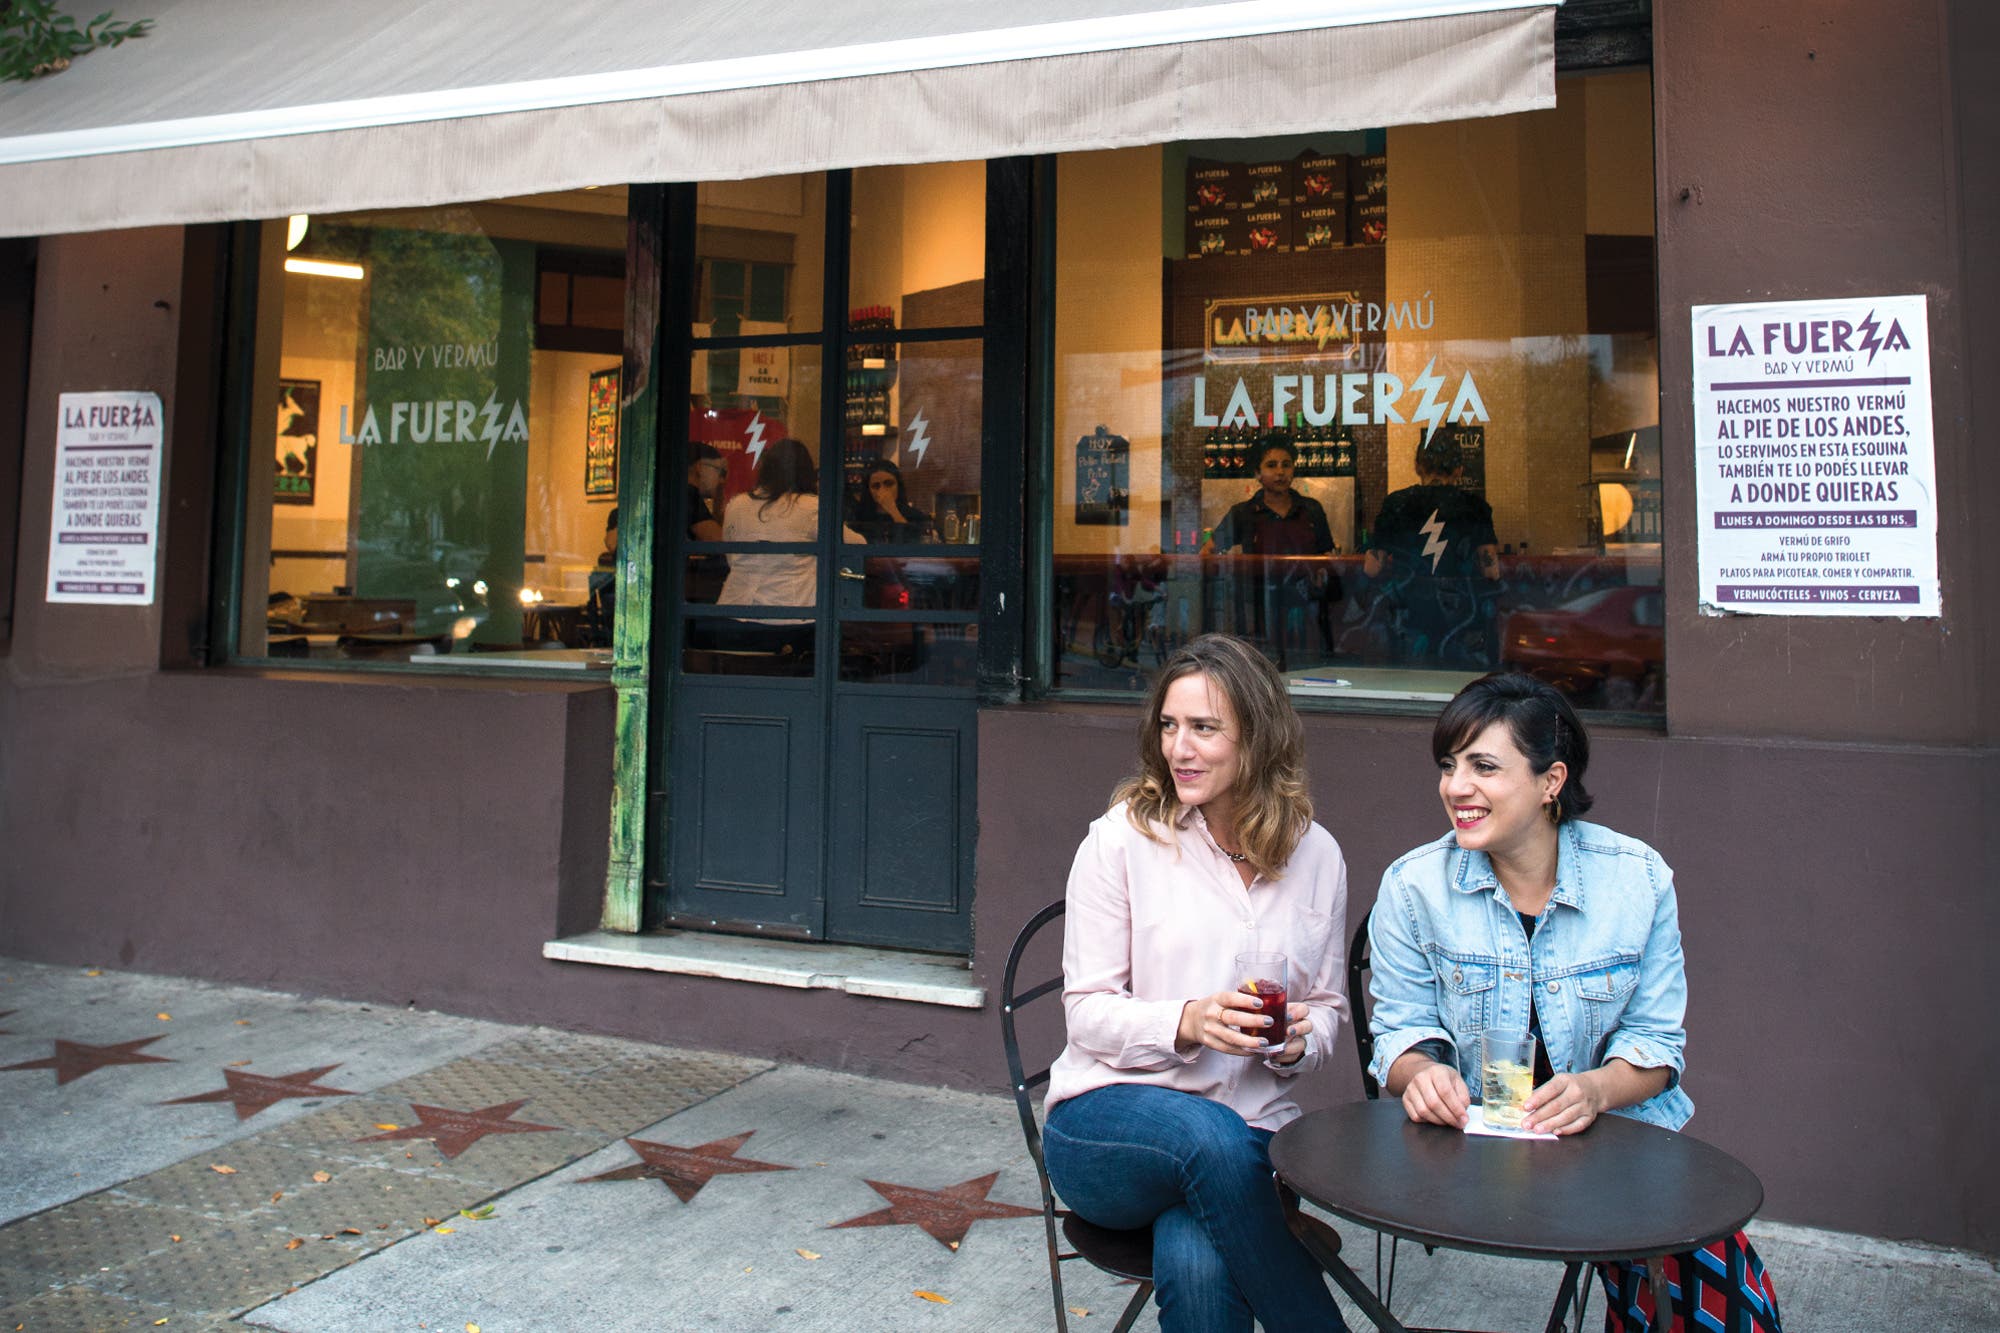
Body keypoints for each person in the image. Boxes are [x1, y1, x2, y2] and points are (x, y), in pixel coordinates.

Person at [1367, 672, 1783, 1332]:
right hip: (1467, 1149)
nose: (1455, 787)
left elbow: (1657, 1047)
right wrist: (1422, 1074)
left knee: (1715, 1290)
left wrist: (1593, 1091)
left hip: (1612, 1143)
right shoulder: (1413, 886)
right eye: (1449, 765)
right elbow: (1398, 1031)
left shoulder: (1636, 879)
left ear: (1551, 780)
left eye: (1483, 766)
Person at [1041, 633, 1352, 1333]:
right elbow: (1086, 1013)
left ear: (1258, 739)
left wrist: (1300, 1040)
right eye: (1169, 725)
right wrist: (1187, 1021)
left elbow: (1328, 1007)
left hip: (1247, 1137)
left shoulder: (1318, 855)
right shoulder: (1120, 841)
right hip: (1106, 1127)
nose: (1179, 748)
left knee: (1199, 1256)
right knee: (1210, 1137)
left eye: (1205, 728)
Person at [709, 437, 860, 655]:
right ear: (806, 472)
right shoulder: (811, 507)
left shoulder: (737, 504)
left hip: (732, 615)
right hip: (792, 620)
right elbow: (856, 546)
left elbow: (731, 556)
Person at [1363, 431, 1499, 665]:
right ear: (1459, 470)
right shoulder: (1476, 507)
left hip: (1409, 614)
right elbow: (1491, 570)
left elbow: (1372, 568)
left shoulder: (1396, 503)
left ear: (1417, 466)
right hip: (1460, 616)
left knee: (1409, 678)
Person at [1201, 435, 1340, 653]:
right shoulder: (1243, 513)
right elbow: (1208, 550)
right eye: (1271, 465)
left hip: (1307, 610)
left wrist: (1322, 574)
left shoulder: (1311, 509)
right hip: (1259, 610)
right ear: (1258, 473)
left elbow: (1325, 556)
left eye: (1286, 464)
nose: (1280, 472)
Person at [847, 456, 934, 543]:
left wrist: (894, 511)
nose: (882, 490)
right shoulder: (858, 518)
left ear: (898, 485)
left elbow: (914, 543)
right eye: (876, 486)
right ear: (869, 490)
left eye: (889, 484)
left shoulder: (915, 516)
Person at [685, 443, 728, 603]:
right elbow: (718, 541)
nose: (722, 479)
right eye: (719, 471)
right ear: (699, 467)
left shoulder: (682, 493)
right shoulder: (689, 495)